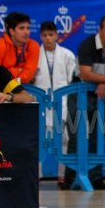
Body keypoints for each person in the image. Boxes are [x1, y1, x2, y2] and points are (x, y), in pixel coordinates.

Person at [63, 16, 105, 191]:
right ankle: (70, 178)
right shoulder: (87, 45)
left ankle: (96, 178)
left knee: (98, 135)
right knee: (76, 134)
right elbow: (85, 73)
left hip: (102, 93)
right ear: (99, 30)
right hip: (79, 91)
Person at [33, 21, 77, 187]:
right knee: (38, 140)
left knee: (64, 139)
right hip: (41, 102)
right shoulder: (34, 55)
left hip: (62, 103)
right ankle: (36, 174)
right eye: (45, 35)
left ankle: (62, 176)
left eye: (51, 35)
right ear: (40, 36)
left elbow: (72, 79)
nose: (48, 38)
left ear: (57, 35)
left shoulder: (67, 55)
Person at [0, 12, 40, 84]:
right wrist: (19, 70)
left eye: (28, 28)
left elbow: (28, 75)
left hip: (25, 86)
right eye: (21, 28)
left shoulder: (33, 45)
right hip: (2, 86)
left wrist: (10, 71)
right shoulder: (0, 45)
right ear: (11, 31)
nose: (26, 32)